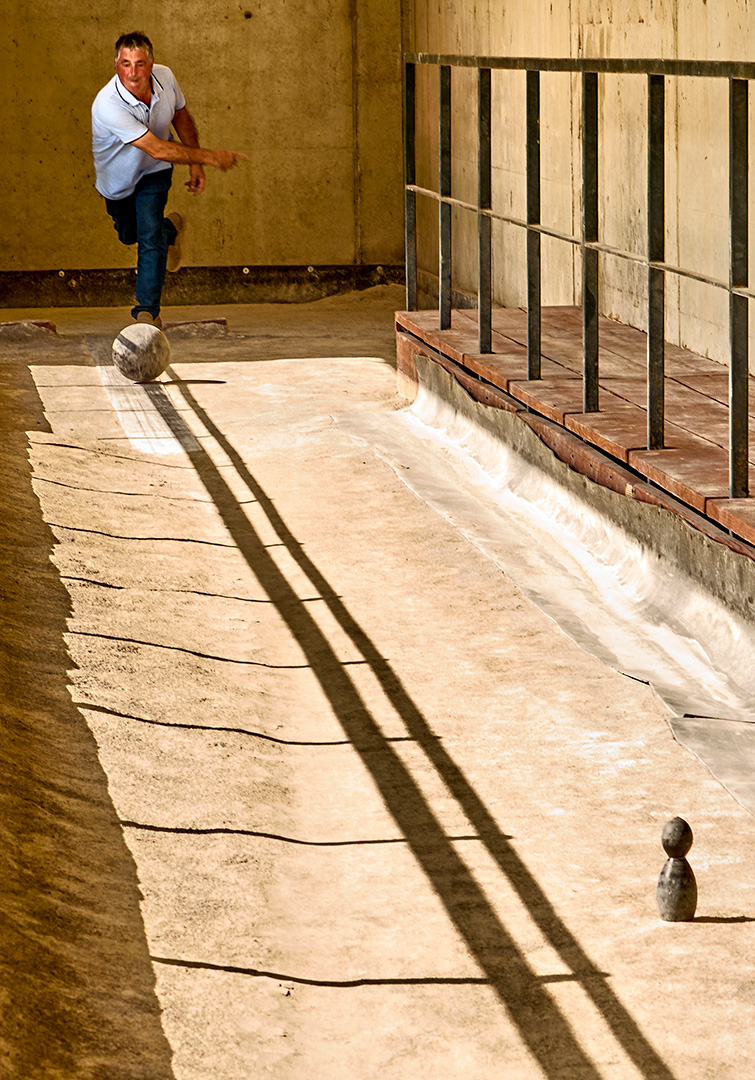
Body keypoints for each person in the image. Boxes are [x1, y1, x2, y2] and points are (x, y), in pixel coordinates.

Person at [91, 31, 246, 328]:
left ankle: (147, 313)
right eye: (126, 64)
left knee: (149, 235)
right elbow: (157, 147)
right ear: (116, 65)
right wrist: (210, 158)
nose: (133, 73)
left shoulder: (166, 77)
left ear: (151, 64)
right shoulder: (107, 104)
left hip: (155, 171)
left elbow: (180, 116)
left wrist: (195, 162)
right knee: (130, 235)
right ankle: (171, 230)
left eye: (140, 64)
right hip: (118, 183)